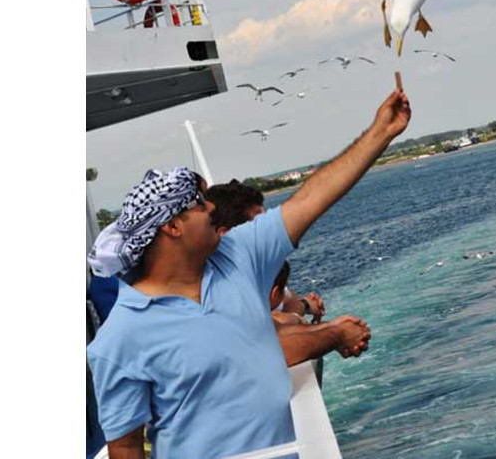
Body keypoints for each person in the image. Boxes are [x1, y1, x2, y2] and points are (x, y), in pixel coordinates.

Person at [87, 88, 411, 459]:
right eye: (198, 203)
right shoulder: (120, 338)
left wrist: (381, 131)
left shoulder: (238, 254)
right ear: (172, 227)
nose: (211, 208)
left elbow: (310, 199)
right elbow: (126, 448)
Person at [207, 180, 325, 321]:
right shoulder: (219, 291)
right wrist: (299, 312)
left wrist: (302, 305)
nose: (269, 229)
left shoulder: (263, 272)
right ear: (225, 234)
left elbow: (288, 300)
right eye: (260, 224)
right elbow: (272, 322)